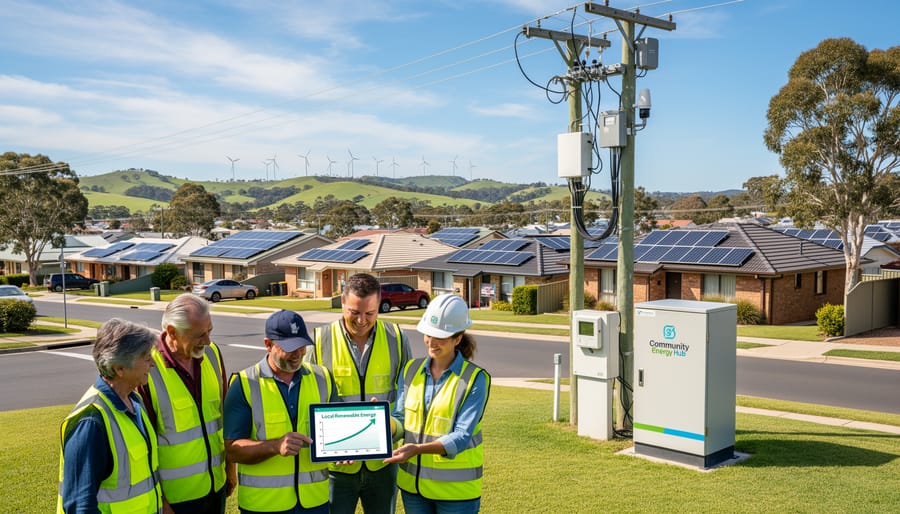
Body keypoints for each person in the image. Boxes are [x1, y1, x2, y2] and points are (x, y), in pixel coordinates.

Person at [307, 272, 412, 514]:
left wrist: (394, 426)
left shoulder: (396, 337)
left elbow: (407, 395)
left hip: (383, 467)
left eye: (370, 313)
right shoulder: (320, 339)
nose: (362, 320)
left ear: (379, 306)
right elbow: (309, 398)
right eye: (354, 312)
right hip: (337, 469)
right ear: (342, 303)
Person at [384, 294, 491, 514]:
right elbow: (402, 419)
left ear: (458, 338)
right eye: (428, 334)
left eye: (440, 337)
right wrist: (385, 422)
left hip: (455, 494)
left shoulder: (475, 379)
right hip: (413, 488)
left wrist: (417, 449)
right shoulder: (411, 369)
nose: (431, 342)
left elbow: (462, 436)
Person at [224, 310, 336, 514]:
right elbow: (232, 449)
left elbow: (336, 432)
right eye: (290, 348)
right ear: (268, 344)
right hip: (264, 505)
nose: (298, 354)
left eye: (302, 346)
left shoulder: (323, 377)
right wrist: (275, 446)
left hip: (315, 503)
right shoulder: (244, 383)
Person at [138, 294, 234, 513]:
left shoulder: (212, 353)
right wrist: (162, 504)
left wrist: (230, 467)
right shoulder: (146, 367)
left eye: (209, 330)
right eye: (199, 335)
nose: (208, 341)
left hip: (216, 488)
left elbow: (225, 416)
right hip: (176, 501)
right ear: (172, 332)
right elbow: (142, 447)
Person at [58, 318, 163, 513]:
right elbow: (80, 506)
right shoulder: (90, 422)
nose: (153, 364)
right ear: (119, 368)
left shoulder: (135, 402)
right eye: (146, 357)